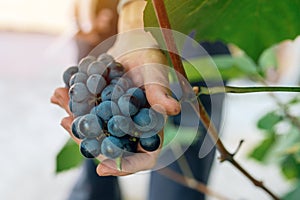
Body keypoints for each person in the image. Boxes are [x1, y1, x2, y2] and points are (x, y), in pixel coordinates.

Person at [51, 0, 229, 199]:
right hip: (106, 13)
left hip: (190, 14)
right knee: (97, 137)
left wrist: (135, 18)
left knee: (182, 154)